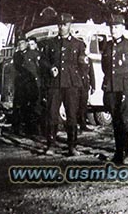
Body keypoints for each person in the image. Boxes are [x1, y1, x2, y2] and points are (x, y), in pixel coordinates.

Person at [101, 14, 128, 165]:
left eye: (117, 27)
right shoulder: (107, 46)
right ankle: (119, 152)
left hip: (126, 88)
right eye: (112, 27)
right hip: (112, 87)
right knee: (116, 120)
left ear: (123, 28)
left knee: (125, 118)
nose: (114, 30)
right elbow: (105, 67)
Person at [42, 13, 88, 156]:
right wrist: (50, 68)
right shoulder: (50, 43)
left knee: (72, 115)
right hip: (55, 84)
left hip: (71, 84)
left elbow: (83, 66)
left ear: (70, 25)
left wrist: (82, 84)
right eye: (60, 24)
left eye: (65, 24)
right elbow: (42, 60)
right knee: (51, 114)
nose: (62, 27)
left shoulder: (78, 44)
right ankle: (51, 145)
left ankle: (72, 146)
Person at [11, 36, 40, 135]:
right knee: (19, 106)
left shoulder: (33, 54)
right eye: (18, 44)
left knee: (32, 107)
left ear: (26, 43)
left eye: (22, 43)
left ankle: (32, 128)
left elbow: (37, 69)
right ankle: (18, 128)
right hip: (21, 84)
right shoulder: (17, 55)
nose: (20, 45)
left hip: (31, 84)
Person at [78, 57, 96, 132]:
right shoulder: (74, 58)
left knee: (83, 106)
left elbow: (91, 73)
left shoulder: (88, 60)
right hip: (76, 84)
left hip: (85, 85)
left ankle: (83, 124)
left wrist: (93, 85)